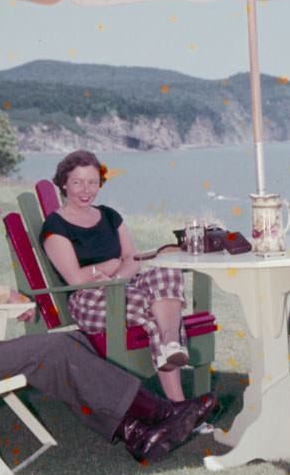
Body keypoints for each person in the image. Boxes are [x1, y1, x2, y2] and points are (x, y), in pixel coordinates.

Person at [0, 172, 216, 465]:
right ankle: (159, 412)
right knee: (54, 349)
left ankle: (136, 433)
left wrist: (7, 296)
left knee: (72, 343)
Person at [40, 150, 190, 401]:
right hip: (87, 299)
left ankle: (171, 343)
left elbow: (133, 259)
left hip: (119, 287)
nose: (85, 189)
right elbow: (76, 279)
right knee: (154, 309)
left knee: (167, 272)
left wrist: (112, 278)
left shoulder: (109, 215)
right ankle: (179, 404)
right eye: (77, 182)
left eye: (92, 182)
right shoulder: (56, 227)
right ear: (64, 183)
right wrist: (111, 264)